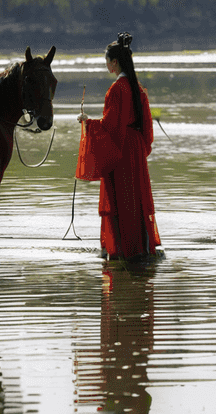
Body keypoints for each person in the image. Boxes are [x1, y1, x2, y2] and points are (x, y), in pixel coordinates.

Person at [76, 33, 162, 261]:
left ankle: (122, 250)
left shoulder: (117, 89)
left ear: (114, 62)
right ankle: (141, 247)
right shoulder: (137, 88)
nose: (106, 65)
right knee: (136, 199)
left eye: (107, 61)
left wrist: (88, 122)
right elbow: (146, 128)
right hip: (135, 148)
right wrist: (140, 148)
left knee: (120, 200)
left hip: (120, 150)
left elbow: (111, 126)